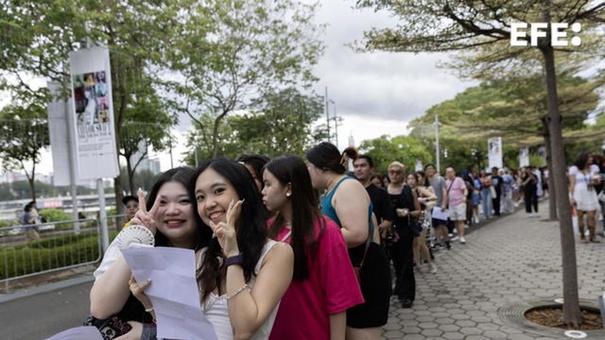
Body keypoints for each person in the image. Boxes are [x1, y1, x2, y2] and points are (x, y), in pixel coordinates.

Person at [89, 167, 207, 338]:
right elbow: (101, 308)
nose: (172, 210)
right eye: (163, 203)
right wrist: (140, 240)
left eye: (184, 201)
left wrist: (149, 333)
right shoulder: (132, 238)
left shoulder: (217, 250)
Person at [262, 155, 364, 339]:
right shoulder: (267, 229)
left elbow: (338, 298)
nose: (263, 191)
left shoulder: (326, 231)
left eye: (268, 184)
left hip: (311, 332)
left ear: (289, 188)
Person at [306, 142, 391, 340]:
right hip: (350, 270)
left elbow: (357, 233)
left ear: (322, 167)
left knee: (362, 334)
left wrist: (309, 237)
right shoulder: (332, 190)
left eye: (308, 167)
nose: (306, 172)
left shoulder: (347, 187)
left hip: (364, 270)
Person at [387, 161, 420, 308]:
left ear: (403, 174)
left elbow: (418, 211)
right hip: (388, 231)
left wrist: (407, 212)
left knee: (405, 262)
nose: (394, 174)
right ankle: (397, 287)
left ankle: (407, 295)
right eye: (392, 172)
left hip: (404, 230)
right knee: (391, 262)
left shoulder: (408, 190)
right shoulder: (383, 191)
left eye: (398, 172)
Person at [353, 155, 395, 248]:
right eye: (356, 166)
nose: (359, 169)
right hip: (351, 242)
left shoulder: (381, 193)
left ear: (371, 169)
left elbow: (388, 219)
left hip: (373, 242)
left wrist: (375, 229)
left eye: (363, 165)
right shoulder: (347, 191)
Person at [569, 152, 601, 243]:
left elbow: (597, 182)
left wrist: (595, 181)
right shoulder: (574, 169)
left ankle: (592, 235)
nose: (591, 159)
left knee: (591, 216)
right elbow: (572, 184)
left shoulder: (594, 168)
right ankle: (582, 236)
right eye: (589, 157)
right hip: (579, 193)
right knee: (580, 216)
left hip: (590, 192)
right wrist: (572, 197)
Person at [409, 172, 437, 273]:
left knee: (421, 242)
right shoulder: (406, 190)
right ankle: (418, 264)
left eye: (412, 179)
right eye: (408, 179)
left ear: (417, 180)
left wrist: (423, 199)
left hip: (422, 218)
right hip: (412, 219)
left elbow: (434, 197)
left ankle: (430, 263)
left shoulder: (420, 189)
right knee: (414, 243)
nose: (410, 181)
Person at [445, 166, 468, 244]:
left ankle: (462, 236)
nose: (450, 173)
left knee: (460, 220)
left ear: (454, 172)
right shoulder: (446, 182)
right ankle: (458, 235)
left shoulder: (459, 180)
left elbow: (464, 189)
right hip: (451, 204)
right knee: (455, 220)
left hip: (459, 202)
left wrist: (464, 196)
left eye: (451, 172)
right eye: (448, 172)